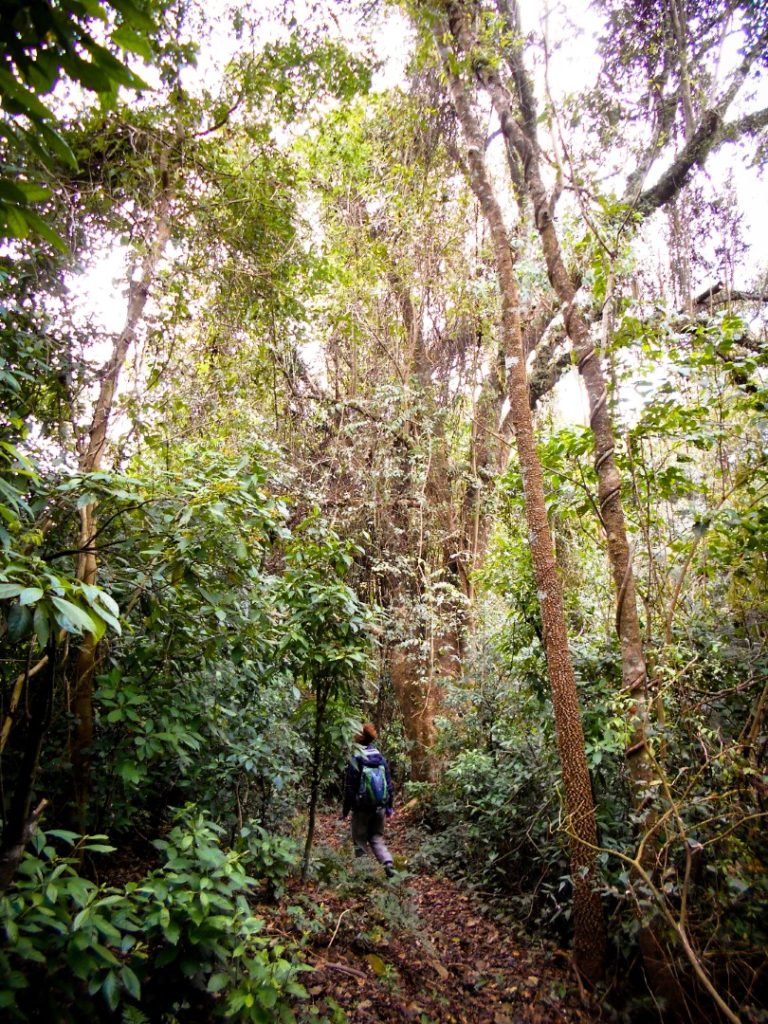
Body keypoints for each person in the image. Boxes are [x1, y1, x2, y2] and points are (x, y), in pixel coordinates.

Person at [341, 722, 395, 877]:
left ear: (358, 737)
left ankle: (364, 874)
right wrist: (389, 807)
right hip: (380, 806)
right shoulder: (380, 757)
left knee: (359, 840)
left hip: (362, 808)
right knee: (376, 837)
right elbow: (389, 784)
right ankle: (387, 862)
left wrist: (345, 811)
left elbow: (350, 788)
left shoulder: (356, 758)